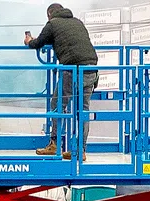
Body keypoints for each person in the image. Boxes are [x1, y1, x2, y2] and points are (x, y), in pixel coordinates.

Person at [25, 4, 98, 158]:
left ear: (49, 14)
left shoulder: (52, 24)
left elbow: (38, 43)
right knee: (83, 111)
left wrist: (29, 41)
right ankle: (81, 150)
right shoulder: (77, 22)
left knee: (57, 105)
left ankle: (55, 144)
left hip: (72, 69)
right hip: (91, 69)